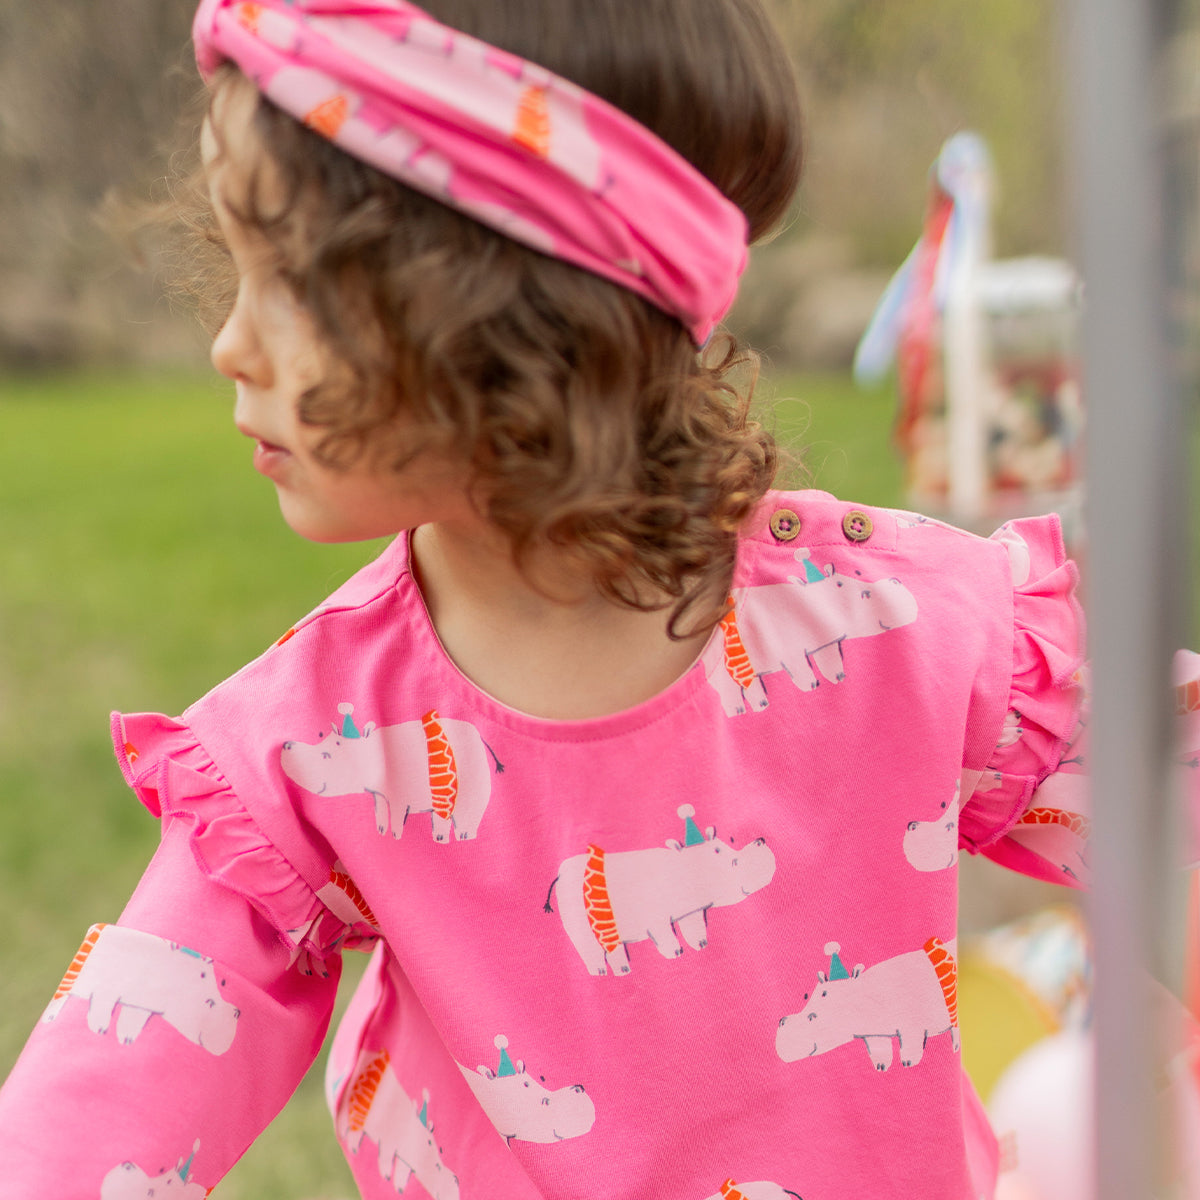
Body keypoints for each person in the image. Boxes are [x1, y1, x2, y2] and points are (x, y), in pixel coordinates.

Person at [0, 1, 1089, 1197]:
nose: (229, 345)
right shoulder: (312, 749)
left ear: (506, 314)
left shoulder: (902, 633)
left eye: (290, 285)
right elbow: (91, 1112)